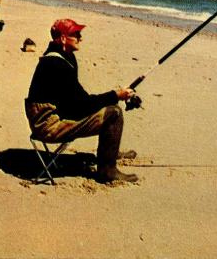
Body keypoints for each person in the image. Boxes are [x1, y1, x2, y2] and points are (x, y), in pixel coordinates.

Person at [25, 18, 138, 184]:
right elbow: (81, 105)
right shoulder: (56, 64)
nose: (80, 38)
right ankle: (107, 170)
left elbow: (78, 99)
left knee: (109, 106)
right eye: (76, 34)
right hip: (47, 125)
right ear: (63, 38)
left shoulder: (64, 57)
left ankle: (110, 153)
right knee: (114, 113)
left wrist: (113, 97)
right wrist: (116, 95)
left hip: (56, 113)